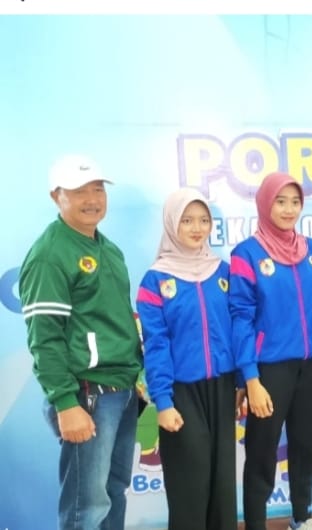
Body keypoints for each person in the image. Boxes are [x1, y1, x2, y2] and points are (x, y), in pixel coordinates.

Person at [19, 154, 142, 530]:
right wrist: (65, 402)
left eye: (98, 189)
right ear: (56, 196)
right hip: (88, 395)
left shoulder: (108, 248)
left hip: (121, 390)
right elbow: (44, 337)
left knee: (114, 491)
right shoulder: (50, 255)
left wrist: (136, 375)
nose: (92, 199)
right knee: (85, 507)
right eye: (79, 191)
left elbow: (116, 320)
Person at [230, 172, 312, 530]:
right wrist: (250, 378)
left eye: (295, 202)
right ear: (264, 204)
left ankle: (302, 517)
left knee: (307, 446)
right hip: (268, 369)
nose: (289, 209)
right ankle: (256, 523)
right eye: (280, 201)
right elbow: (240, 319)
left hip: (311, 364)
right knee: (261, 450)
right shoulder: (246, 254)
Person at [136, 187, 238, 530]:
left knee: (222, 483)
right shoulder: (156, 279)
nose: (197, 228)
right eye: (187, 220)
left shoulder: (222, 272)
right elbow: (156, 344)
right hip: (181, 393)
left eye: (204, 220)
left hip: (222, 387)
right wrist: (163, 402)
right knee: (189, 483)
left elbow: (238, 329)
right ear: (171, 224)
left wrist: (242, 382)